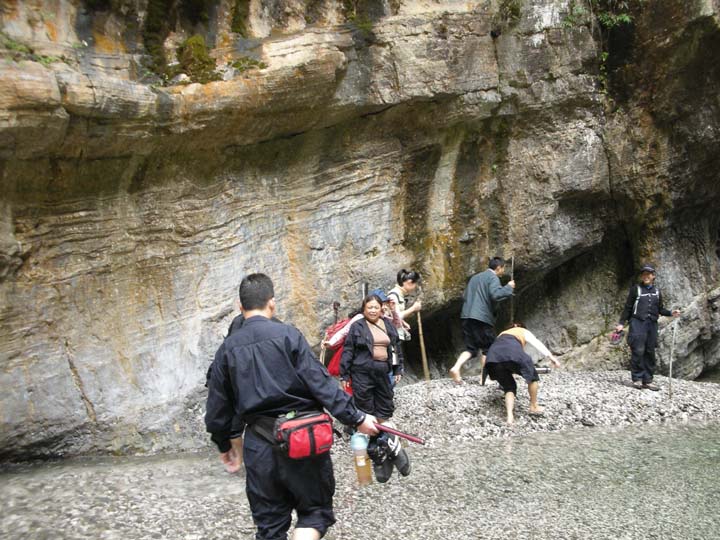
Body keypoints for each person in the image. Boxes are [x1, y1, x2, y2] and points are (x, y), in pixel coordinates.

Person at [206, 273, 378, 540]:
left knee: (270, 527)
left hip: (259, 446)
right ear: (272, 303)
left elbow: (217, 411)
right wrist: (356, 418)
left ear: (241, 307)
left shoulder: (227, 349)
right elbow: (322, 385)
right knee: (315, 513)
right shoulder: (288, 336)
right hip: (303, 439)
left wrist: (224, 445)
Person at [340, 293, 410, 482]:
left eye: (375, 307)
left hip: (382, 372)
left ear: (381, 309)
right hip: (361, 373)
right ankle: (377, 453)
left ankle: (389, 446)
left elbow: (395, 349)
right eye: (369, 307)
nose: (372, 310)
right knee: (366, 410)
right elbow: (348, 350)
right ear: (364, 309)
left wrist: (397, 368)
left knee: (385, 408)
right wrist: (344, 374)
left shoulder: (387, 325)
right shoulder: (357, 327)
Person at [449, 257, 516, 384]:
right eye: (503, 268)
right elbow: (495, 295)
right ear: (498, 268)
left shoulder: (475, 278)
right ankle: (483, 378)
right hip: (481, 318)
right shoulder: (493, 278)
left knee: (471, 348)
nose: (503, 271)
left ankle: (456, 367)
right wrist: (508, 287)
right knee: (489, 347)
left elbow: (465, 296)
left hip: (466, 316)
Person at [615, 264, 680, 391]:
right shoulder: (636, 289)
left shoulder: (657, 292)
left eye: (648, 274)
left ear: (653, 276)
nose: (646, 276)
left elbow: (660, 309)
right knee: (638, 350)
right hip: (637, 323)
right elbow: (628, 307)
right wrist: (621, 323)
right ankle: (637, 379)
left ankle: (648, 380)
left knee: (650, 351)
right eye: (644, 274)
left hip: (652, 324)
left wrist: (671, 313)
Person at [484, 324, 561, 425]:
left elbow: (503, 355)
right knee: (532, 378)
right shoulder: (521, 330)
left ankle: (510, 417)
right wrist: (552, 358)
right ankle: (533, 406)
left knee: (509, 388)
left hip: (492, 358)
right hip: (513, 355)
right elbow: (537, 343)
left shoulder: (501, 335)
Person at [386, 269, 422, 342]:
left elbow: (395, 315)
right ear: (409, 282)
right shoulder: (393, 296)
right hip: (392, 334)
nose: (415, 287)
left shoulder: (400, 295)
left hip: (397, 333)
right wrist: (414, 308)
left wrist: (402, 322)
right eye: (415, 284)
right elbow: (396, 316)